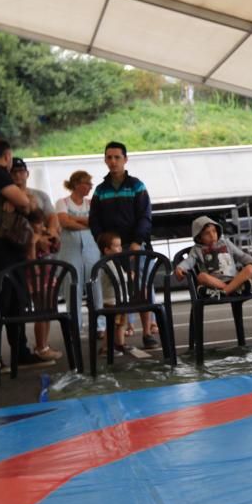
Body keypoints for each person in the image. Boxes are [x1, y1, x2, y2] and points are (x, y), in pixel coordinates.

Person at [0, 138, 51, 369]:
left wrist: (20, 202)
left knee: (18, 300)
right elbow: (24, 201)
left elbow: (28, 205)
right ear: (7, 156)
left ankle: (21, 352)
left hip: (9, 244)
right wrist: (19, 201)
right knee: (1, 300)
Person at [89, 142, 159, 350]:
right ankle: (117, 339)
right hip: (111, 251)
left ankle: (147, 332)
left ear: (125, 159)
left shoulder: (137, 185)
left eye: (117, 157)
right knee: (115, 294)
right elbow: (94, 221)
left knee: (141, 289)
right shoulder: (100, 190)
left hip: (136, 246)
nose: (112, 161)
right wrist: (104, 244)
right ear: (105, 160)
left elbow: (145, 216)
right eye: (109, 157)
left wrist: (138, 241)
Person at [55, 170, 104, 338]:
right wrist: (87, 224)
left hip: (91, 249)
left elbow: (95, 221)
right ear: (77, 184)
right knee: (72, 287)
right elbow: (64, 222)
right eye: (87, 183)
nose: (90, 187)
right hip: (70, 250)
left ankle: (99, 325)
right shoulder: (62, 202)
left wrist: (75, 220)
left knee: (95, 285)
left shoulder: (91, 203)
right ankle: (75, 325)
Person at [174, 216, 252, 297]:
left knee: (251, 268)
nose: (212, 235)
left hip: (234, 279)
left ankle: (225, 291)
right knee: (201, 276)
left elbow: (242, 256)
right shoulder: (197, 249)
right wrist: (180, 268)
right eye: (207, 233)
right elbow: (189, 261)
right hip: (214, 283)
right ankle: (234, 289)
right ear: (199, 238)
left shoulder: (226, 243)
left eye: (214, 231)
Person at [26, 210, 63, 361]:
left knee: (48, 312)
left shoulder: (43, 235)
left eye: (42, 223)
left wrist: (54, 238)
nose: (40, 227)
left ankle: (44, 345)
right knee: (41, 313)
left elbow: (55, 249)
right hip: (36, 279)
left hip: (47, 277)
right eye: (37, 223)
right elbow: (31, 260)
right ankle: (41, 347)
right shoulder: (30, 238)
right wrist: (34, 243)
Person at [11, 157, 60, 238]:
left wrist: (52, 230)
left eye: (21, 171)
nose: (17, 175)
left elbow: (52, 216)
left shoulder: (41, 195)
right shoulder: (4, 196)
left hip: (41, 238)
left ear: (27, 173)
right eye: (13, 172)